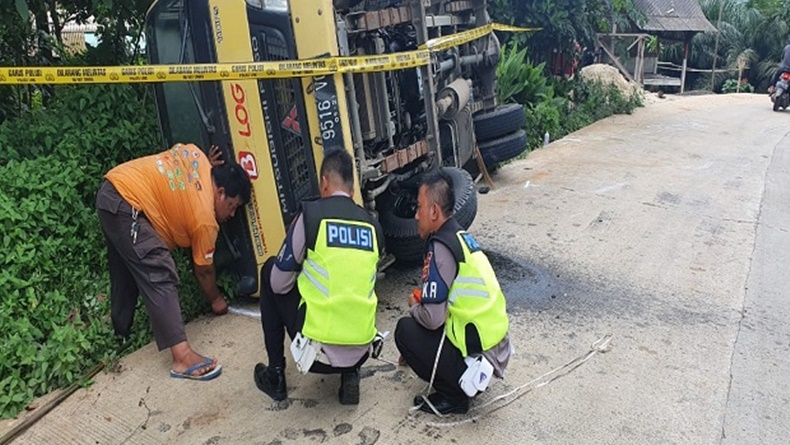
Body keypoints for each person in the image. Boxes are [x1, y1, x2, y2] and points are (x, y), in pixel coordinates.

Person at [96, 143, 251, 381]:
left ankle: (120, 332)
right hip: (128, 203)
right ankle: (182, 356)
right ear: (220, 192)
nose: (231, 215)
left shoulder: (197, 155)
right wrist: (216, 300)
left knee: (127, 268)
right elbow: (203, 271)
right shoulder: (205, 220)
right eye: (232, 206)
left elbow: (182, 157)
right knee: (158, 267)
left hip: (112, 190)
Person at [253, 149, 384, 405]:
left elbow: (279, 285)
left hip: (317, 356)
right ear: (352, 188)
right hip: (362, 351)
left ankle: (276, 376)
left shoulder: (311, 217)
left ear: (324, 182)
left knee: (270, 271)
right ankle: (350, 374)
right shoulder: (372, 225)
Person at [394, 169, 512, 416]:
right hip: (494, 349)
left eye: (419, 207)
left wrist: (414, 307)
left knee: (405, 330)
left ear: (434, 211)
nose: (415, 215)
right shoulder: (461, 237)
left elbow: (433, 318)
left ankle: (453, 397)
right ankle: (459, 380)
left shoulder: (440, 248)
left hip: (476, 359)